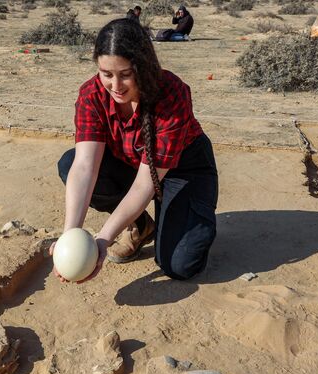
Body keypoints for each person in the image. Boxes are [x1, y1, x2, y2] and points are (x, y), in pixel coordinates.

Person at [53, 18, 218, 283]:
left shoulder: (171, 94)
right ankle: (141, 225)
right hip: (131, 163)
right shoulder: (91, 95)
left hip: (183, 169)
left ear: (143, 67)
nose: (116, 86)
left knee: (180, 265)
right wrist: (69, 237)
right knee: (69, 162)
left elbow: (144, 185)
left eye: (125, 74)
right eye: (107, 74)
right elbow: (85, 167)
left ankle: (192, 216)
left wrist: (103, 240)